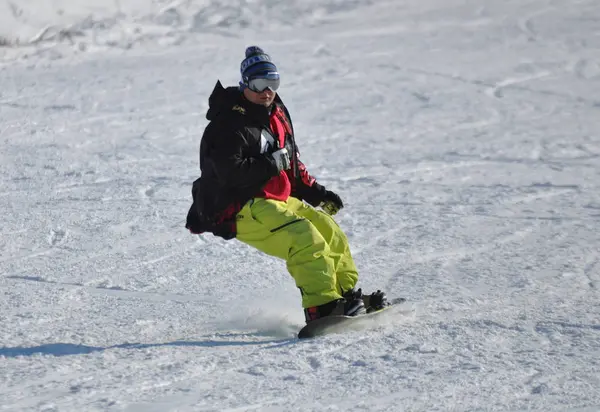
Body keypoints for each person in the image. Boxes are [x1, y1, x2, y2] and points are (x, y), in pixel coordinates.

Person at [185, 46, 388, 323]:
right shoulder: (228, 125)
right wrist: (271, 163)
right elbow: (228, 173)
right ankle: (322, 307)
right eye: (258, 84)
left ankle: (344, 296)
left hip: (275, 198)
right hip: (238, 204)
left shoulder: (276, 111)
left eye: (273, 83)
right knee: (304, 237)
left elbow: (289, 159)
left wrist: (315, 192)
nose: (266, 91)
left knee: (329, 231)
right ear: (245, 83)